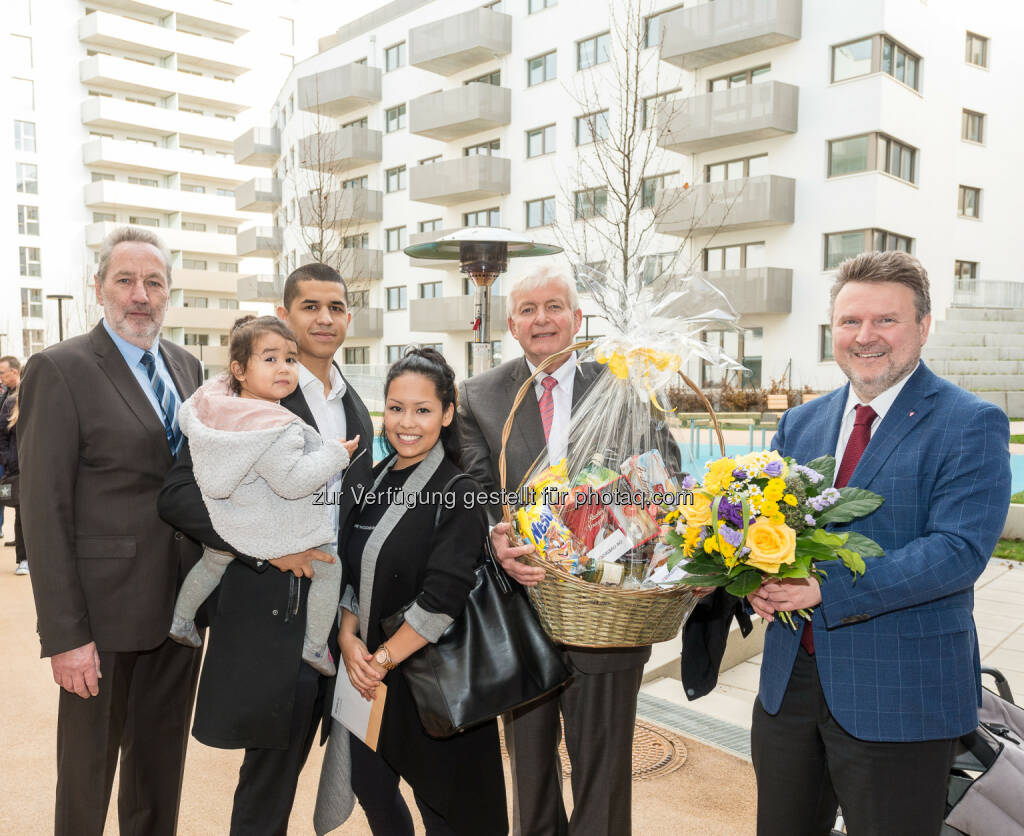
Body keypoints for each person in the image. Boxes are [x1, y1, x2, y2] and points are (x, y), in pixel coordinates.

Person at [747, 250, 1011, 835]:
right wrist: (752, 582)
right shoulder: (801, 423)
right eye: (849, 321)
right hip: (789, 689)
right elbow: (770, 530)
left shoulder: (971, 423)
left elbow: (958, 552)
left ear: (923, 326)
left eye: (885, 321)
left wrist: (824, 588)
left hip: (901, 692)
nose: (865, 336)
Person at [158, 262, 374, 835]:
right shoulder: (243, 403)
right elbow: (179, 495)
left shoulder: (356, 408)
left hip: (330, 623)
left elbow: (357, 513)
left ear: (348, 317)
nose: (324, 319)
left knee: (339, 769)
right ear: (285, 314)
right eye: (309, 307)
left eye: (335, 307)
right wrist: (264, 549)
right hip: (268, 618)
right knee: (267, 788)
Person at [457, 265, 670, 836]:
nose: (541, 318)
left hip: (608, 613)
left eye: (554, 306)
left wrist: (620, 516)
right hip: (522, 609)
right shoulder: (478, 395)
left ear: (578, 319)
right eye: (527, 309)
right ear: (512, 324)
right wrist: (495, 536)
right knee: (528, 772)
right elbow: (477, 490)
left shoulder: (626, 382)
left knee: (603, 774)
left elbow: (665, 475)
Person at [17, 226, 205, 835]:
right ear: (99, 288)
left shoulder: (186, 365)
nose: (140, 295)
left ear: (169, 292)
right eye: (125, 280)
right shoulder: (59, 369)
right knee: (87, 780)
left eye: (154, 282)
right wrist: (66, 636)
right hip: (100, 622)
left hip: (178, 614)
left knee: (159, 776)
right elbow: (43, 511)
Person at [328, 347, 507, 836]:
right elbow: (352, 568)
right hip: (370, 674)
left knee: (442, 811)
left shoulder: (460, 491)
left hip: (427, 682)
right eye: (396, 408)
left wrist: (379, 662)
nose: (407, 423)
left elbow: (441, 600)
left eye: (423, 410)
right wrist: (347, 638)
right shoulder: (375, 477)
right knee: (373, 793)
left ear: (447, 414)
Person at [168, 315, 359, 676]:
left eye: (290, 359)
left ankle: (181, 619)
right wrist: (334, 455)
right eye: (270, 359)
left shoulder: (218, 409)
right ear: (239, 369)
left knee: (213, 560)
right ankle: (315, 647)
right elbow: (291, 482)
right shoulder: (275, 425)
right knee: (329, 568)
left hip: (226, 515)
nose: (284, 368)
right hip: (263, 524)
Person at [0, 356, 26, 574]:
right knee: (20, 513)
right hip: (17, 468)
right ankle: (23, 559)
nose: (0, 377)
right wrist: (7, 460)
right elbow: (3, 436)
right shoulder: (10, 401)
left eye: (2, 373)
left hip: (38, 469)